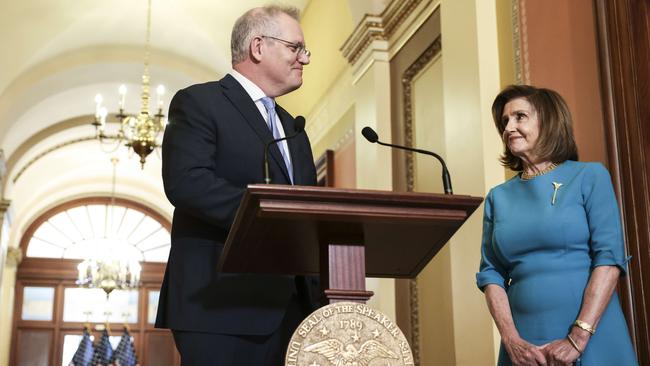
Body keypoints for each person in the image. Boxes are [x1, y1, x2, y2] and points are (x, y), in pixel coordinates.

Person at [155, 5, 318, 365]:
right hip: (221, 306)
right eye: (296, 48)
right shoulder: (200, 102)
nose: (304, 59)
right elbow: (187, 182)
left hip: (297, 314)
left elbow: (308, 209)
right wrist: (270, 219)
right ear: (258, 47)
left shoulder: (294, 128)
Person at [476, 85, 638, 365]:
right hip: (523, 346)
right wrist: (511, 340)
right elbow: (490, 274)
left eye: (519, 117)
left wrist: (579, 336)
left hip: (592, 333)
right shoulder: (497, 198)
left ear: (548, 121)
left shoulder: (589, 176)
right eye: (505, 121)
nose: (508, 127)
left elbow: (609, 260)